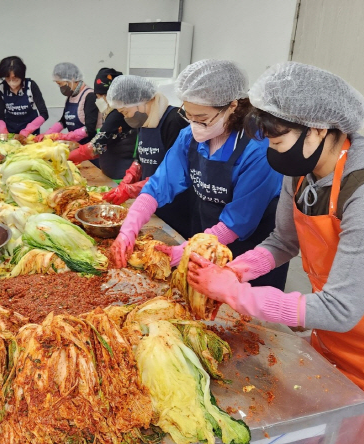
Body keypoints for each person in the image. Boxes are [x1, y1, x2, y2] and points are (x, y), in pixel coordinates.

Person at [185, 62, 364, 444]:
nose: (273, 154)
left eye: (278, 143)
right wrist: (238, 269)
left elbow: (340, 308)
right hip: (334, 343)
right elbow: (283, 241)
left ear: (319, 128)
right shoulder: (301, 168)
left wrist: (236, 295)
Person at [111, 60, 287, 289]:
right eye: (189, 116)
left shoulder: (258, 149)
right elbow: (159, 184)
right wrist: (129, 229)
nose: (194, 125)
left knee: (242, 312)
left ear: (233, 106)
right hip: (205, 234)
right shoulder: (189, 137)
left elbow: (238, 222)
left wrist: (184, 251)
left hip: (249, 248)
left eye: (202, 119)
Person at [102, 74, 190, 238]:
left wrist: (132, 189)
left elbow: (176, 174)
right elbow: (140, 158)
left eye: (125, 111)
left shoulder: (174, 121)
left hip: (176, 208)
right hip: (152, 203)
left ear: (141, 101)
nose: (125, 117)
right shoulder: (144, 121)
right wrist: (130, 177)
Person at [67, 68, 138, 180]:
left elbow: (94, 147)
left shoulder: (117, 114)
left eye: (100, 95)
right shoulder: (111, 113)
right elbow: (104, 143)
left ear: (111, 96)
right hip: (111, 173)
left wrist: (64, 157)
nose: (98, 99)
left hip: (121, 177)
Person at [38, 62, 100, 144]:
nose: (60, 87)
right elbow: (63, 121)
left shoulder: (90, 96)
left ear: (72, 79)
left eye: (60, 84)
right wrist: (47, 135)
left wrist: (65, 137)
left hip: (89, 148)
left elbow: (89, 128)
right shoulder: (70, 97)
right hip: (75, 146)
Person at [0, 56, 48, 136]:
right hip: (11, 132)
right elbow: (0, 116)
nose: (11, 82)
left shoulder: (31, 86)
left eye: (15, 78)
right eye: (8, 78)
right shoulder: (1, 88)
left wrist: (28, 129)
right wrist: (3, 129)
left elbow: (44, 114)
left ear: (21, 75)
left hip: (31, 133)